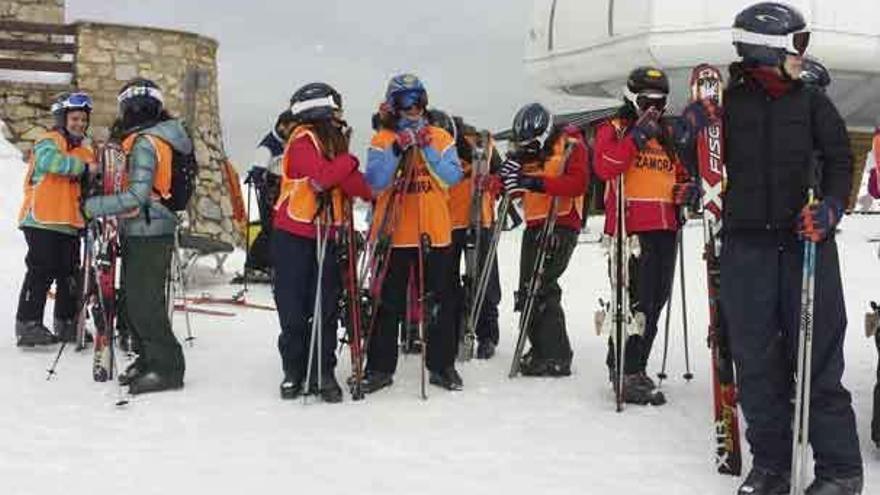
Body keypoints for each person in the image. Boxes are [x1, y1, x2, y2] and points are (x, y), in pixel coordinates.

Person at [724, 3, 862, 494]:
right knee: (756, 362)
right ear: (766, 50)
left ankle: (840, 472)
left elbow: (842, 161)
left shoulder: (812, 103)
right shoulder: (728, 104)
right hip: (746, 247)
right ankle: (772, 467)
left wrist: (829, 209)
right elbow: (701, 160)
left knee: (819, 357)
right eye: (797, 46)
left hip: (806, 244)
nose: (803, 56)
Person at [593, 66, 700, 405]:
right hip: (631, 228)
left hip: (665, 225)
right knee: (633, 302)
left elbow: (678, 171)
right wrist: (636, 136)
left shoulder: (665, 135)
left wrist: (688, 190)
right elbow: (607, 165)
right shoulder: (614, 128)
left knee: (655, 301)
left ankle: (635, 367)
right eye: (645, 101)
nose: (652, 109)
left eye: (660, 102)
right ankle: (624, 369)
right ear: (630, 98)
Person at [84, 78, 192, 395]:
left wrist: (94, 206)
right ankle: (148, 359)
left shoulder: (146, 142)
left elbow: (137, 195)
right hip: (144, 227)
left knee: (144, 302)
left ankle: (167, 368)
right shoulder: (154, 137)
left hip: (149, 228)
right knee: (134, 300)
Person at [362, 73, 463, 392]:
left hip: (434, 232)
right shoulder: (380, 140)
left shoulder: (441, 136)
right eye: (406, 102)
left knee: (440, 301)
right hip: (394, 232)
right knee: (386, 302)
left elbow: (452, 176)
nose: (414, 108)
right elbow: (375, 181)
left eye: (419, 100)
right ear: (393, 105)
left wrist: (428, 148)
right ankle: (379, 367)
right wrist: (397, 148)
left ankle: (442, 365)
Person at [271, 82, 372, 402]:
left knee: (327, 306)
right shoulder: (301, 140)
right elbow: (322, 178)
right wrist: (351, 161)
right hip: (295, 235)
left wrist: (372, 191)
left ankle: (323, 371)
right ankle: (294, 370)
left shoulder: (333, 143)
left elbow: (354, 184)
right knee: (294, 307)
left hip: (327, 236)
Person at [499, 103, 588, 377]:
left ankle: (556, 354)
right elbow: (517, 186)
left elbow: (577, 183)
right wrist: (506, 180)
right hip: (536, 221)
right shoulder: (530, 153)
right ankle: (540, 348)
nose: (528, 147)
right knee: (528, 288)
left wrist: (537, 183)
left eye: (531, 142)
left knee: (543, 285)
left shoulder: (571, 144)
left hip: (560, 221)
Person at [16, 92, 98, 347]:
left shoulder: (85, 149)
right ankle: (28, 324)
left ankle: (67, 322)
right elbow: (52, 163)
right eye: (75, 119)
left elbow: (91, 182)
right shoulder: (48, 141)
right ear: (63, 119)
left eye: (83, 120)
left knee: (70, 274)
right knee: (41, 272)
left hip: (70, 223)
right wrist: (84, 169)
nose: (80, 124)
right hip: (41, 220)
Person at [441, 113, 504, 360]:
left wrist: (495, 183)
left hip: (481, 218)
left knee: (485, 280)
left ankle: (487, 334)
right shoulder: (435, 146)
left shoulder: (482, 142)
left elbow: (501, 172)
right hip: (446, 222)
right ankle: (454, 330)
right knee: (449, 282)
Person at [241, 110, 298, 280]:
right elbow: (258, 168)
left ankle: (273, 263)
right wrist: (260, 179)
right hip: (271, 191)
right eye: (291, 128)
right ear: (282, 126)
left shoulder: (289, 141)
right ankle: (254, 264)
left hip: (285, 189)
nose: (294, 132)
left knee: (281, 229)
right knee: (270, 228)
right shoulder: (269, 145)